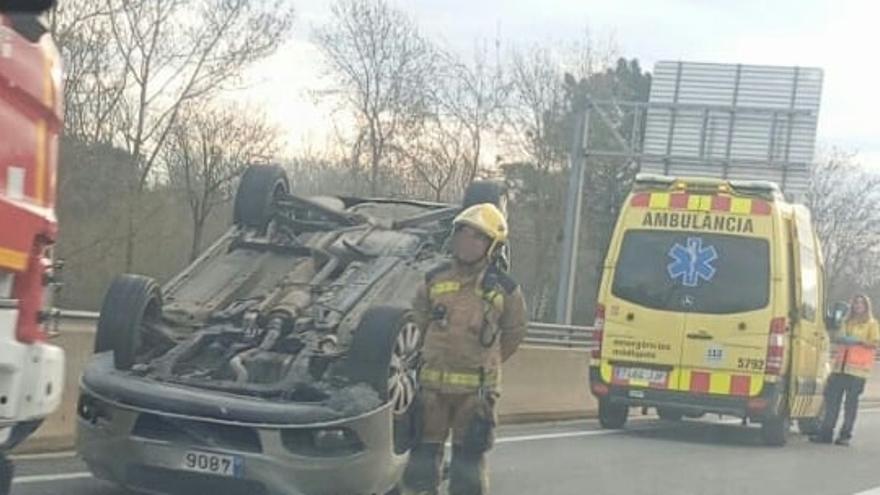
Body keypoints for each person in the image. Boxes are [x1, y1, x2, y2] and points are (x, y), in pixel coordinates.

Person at [401, 203, 528, 495]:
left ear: (492, 246)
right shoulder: (434, 279)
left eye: (477, 237)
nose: (467, 242)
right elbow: (417, 323)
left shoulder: (505, 290)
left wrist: (488, 363)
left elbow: (513, 333)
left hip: (476, 397)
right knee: (420, 463)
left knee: (467, 469)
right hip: (430, 392)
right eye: (463, 234)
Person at [811, 294, 880, 446]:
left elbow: (875, 343)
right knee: (832, 402)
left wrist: (860, 341)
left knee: (850, 405)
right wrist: (841, 337)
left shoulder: (871, 324)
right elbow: (838, 336)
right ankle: (826, 433)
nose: (858, 305)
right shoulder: (846, 321)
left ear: (866, 306)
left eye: (861, 303)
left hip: (857, 372)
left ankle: (845, 435)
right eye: (855, 303)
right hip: (839, 369)